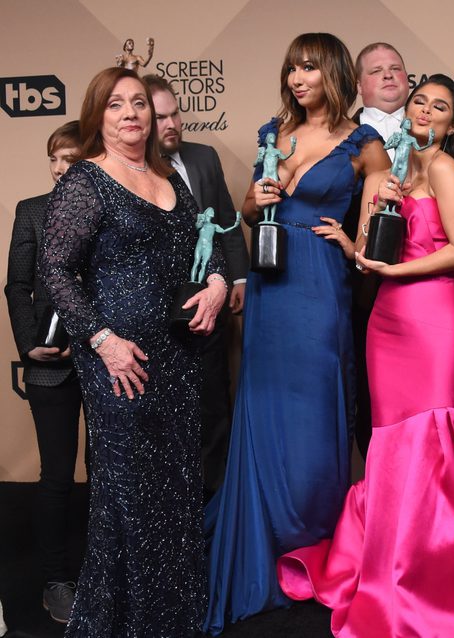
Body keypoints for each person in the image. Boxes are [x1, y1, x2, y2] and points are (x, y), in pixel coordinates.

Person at [276, 73, 454, 637]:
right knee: (389, 441)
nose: (426, 112)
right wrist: (352, 240)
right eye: (419, 103)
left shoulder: (442, 168)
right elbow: (369, 256)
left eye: (439, 107)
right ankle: (386, 561)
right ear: (406, 112)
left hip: (433, 320)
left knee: (431, 441)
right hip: (386, 321)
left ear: (453, 123)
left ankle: (438, 569)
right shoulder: (388, 174)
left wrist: (395, 269)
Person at [203, 33, 389, 633]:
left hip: (318, 287)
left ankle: (316, 541)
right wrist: (254, 203)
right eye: (291, 69)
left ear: (332, 72)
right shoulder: (269, 134)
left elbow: (386, 223)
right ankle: (266, 530)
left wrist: (352, 244)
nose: (297, 78)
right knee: (266, 403)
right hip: (269, 286)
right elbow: (247, 212)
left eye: (308, 67)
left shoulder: (366, 143)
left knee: (314, 409)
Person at [38, 66, 226, 636]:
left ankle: (174, 619)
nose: (130, 114)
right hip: (120, 365)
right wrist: (101, 341)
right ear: (99, 115)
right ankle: (127, 621)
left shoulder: (173, 177)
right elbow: (55, 270)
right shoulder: (86, 181)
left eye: (139, 103)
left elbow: (206, 248)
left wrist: (217, 284)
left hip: (177, 359)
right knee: (130, 500)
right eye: (116, 104)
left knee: (174, 492)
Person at [142, 73, 250, 499]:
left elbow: (225, 218)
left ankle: (216, 506)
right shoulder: (127, 169)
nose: (171, 124)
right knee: (163, 415)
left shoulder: (204, 157)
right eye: (160, 117)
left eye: (175, 114)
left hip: (210, 298)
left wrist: (237, 276)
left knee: (212, 403)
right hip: (153, 311)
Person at [4, 120, 84, 624]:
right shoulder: (31, 211)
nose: (59, 169)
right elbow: (16, 285)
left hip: (104, 361)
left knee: (111, 473)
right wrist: (32, 344)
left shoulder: (107, 210)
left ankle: (107, 572)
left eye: (71, 159)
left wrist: (91, 339)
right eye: (54, 159)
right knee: (56, 475)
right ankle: (56, 581)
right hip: (48, 363)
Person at [346, 42, 410, 458]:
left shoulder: (438, 129)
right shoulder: (341, 137)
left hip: (424, 282)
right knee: (366, 389)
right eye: (376, 71)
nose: (388, 76)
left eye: (396, 68)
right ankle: (376, 491)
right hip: (358, 286)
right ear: (358, 84)